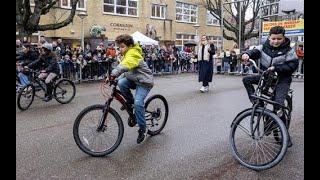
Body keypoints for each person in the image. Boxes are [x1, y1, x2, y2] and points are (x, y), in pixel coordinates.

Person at [241, 26, 298, 147]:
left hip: (282, 79)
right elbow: (254, 52)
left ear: (283, 38)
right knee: (246, 80)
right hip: (266, 77)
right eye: (273, 38)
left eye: (279, 39)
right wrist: (246, 54)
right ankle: (259, 106)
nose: (276, 41)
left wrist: (277, 68)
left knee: (278, 105)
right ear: (269, 37)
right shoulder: (263, 47)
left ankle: (285, 136)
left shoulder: (288, 50)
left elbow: (293, 65)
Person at [107, 34, 154, 144]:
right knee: (121, 82)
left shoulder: (133, 53)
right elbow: (125, 70)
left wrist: (114, 74)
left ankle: (143, 128)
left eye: (122, 46)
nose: (120, 49)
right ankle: (129, 102)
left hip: (144, 82)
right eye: (119, 47)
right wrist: (112, 77)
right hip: (134, 79)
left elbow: (126, 64)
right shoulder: (126, 54)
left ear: (130, 46)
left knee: (138, 103)